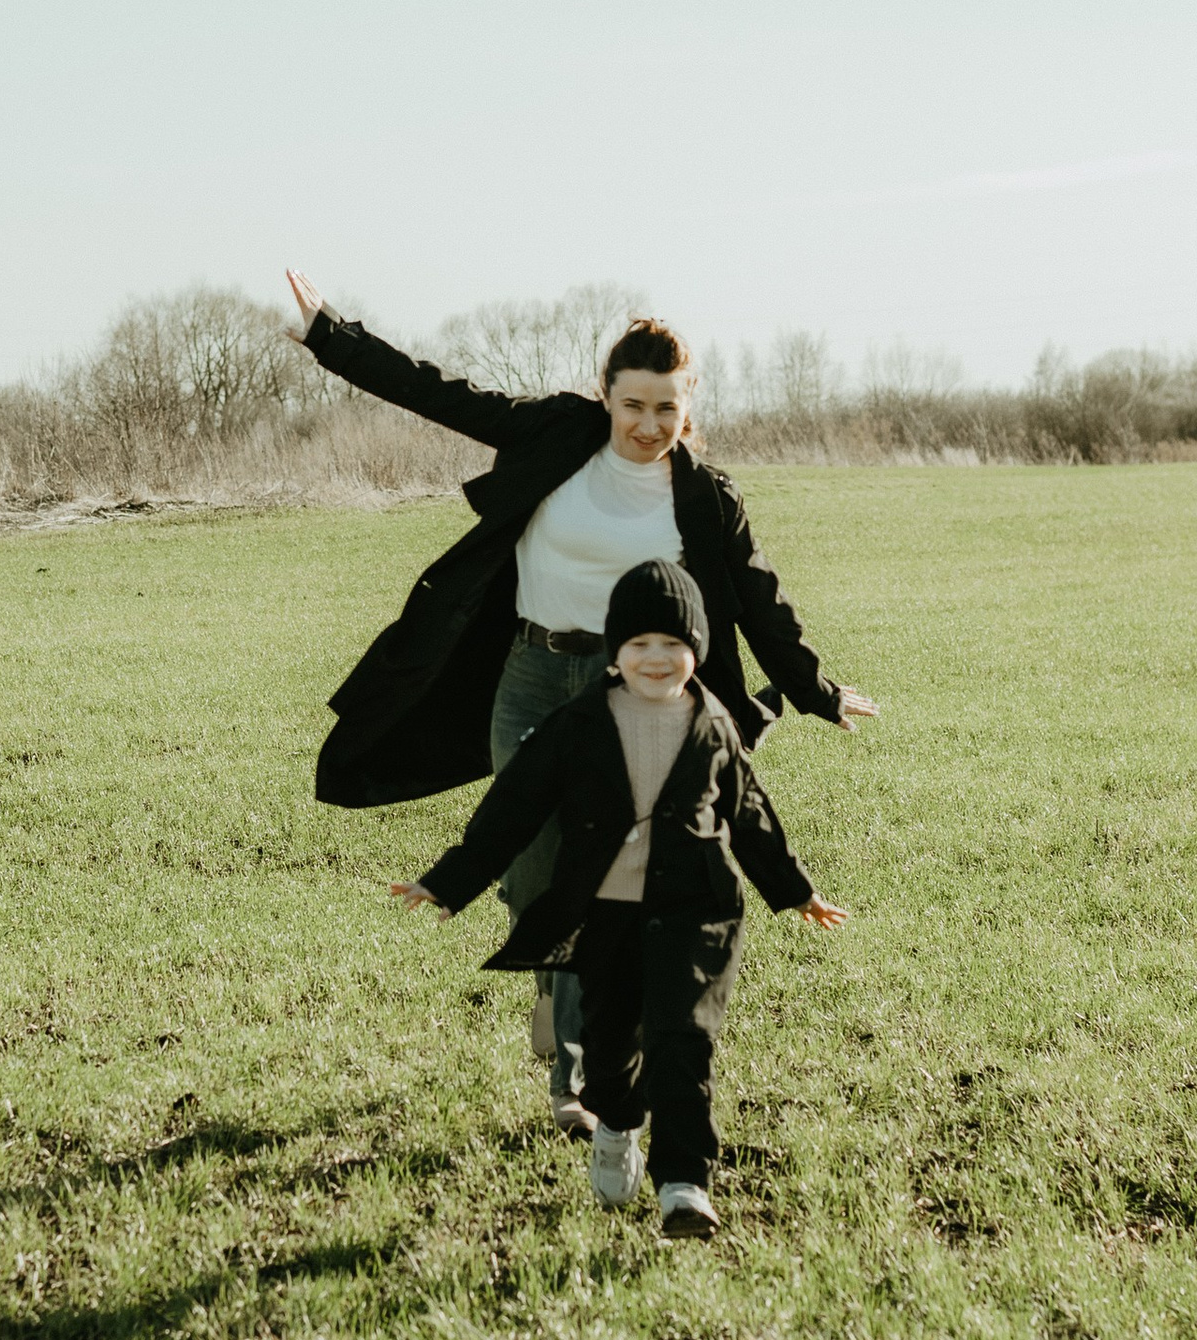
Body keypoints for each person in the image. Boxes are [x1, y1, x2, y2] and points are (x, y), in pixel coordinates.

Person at [284, 273, 875, 1101]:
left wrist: (817, 688)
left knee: (595, 880)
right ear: (606, 395)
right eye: (634, 405)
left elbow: (758, 595)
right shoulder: (557, 434)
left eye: (667, 408)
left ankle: (576, 1074)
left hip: (628, 697)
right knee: (531, 868)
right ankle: (551, 978)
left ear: (688, 406)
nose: (648, 425)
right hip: (527, 677)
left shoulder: (702, 498)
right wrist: (329, 337)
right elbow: (438, 395)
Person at [392, 559, 845, 1240]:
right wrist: (451, 878)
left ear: (696, 649)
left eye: (673, 644)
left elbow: (750, 812)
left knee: (683, 1039)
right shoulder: (579, 723)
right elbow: (513, 807)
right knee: (610, 1044)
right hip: (606, 916)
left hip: (696, 911)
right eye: (639, 645)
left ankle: (686, 1183)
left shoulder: (712, 722)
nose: (656, 659)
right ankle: (618, 1125)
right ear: (615, 649)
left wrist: (794, 887)